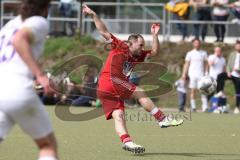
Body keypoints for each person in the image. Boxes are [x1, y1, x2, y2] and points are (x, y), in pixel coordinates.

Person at [83, 4, 183, 154]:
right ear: (131, 43)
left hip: (105, 88)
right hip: (112, 80)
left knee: (119, 115)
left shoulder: (139, 55)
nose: (143, 48)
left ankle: (127, 142)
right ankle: (162, 119)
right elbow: (103, 31)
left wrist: (155, 35)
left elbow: (155, 51)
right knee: (140, 92)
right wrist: (93, 14)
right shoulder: (121, 46)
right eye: (141, 45)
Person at [0, 0, 59, 160]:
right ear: (45, 7)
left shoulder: (9, 25)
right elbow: (19, 40)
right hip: (18, 90)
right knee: (47, 146)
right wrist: (40, 75)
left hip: (1, 90)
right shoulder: (39, 21)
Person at [182, 38, 209, 112]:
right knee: (193, 91)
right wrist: (184, 74)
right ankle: (193, 107)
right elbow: (186, 64)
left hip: (201, 75)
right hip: (192, 75)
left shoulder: (204, 53)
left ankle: (205, 107)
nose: (197, 44)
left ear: (200, 44)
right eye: (195, 43)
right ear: (193, 44)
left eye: (198, 43)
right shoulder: (190, 53)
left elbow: (206, 64)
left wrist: (206, 72)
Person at [216, 40, 240, 114]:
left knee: (238, 91)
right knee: (220, 76)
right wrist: (228, 71)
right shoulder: (233, 54)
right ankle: (220, 91)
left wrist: (238, 69)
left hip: (238, 75)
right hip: (231, 74)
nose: (238, 46)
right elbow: (229, 64)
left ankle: (237, 107)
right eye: (237, 45)